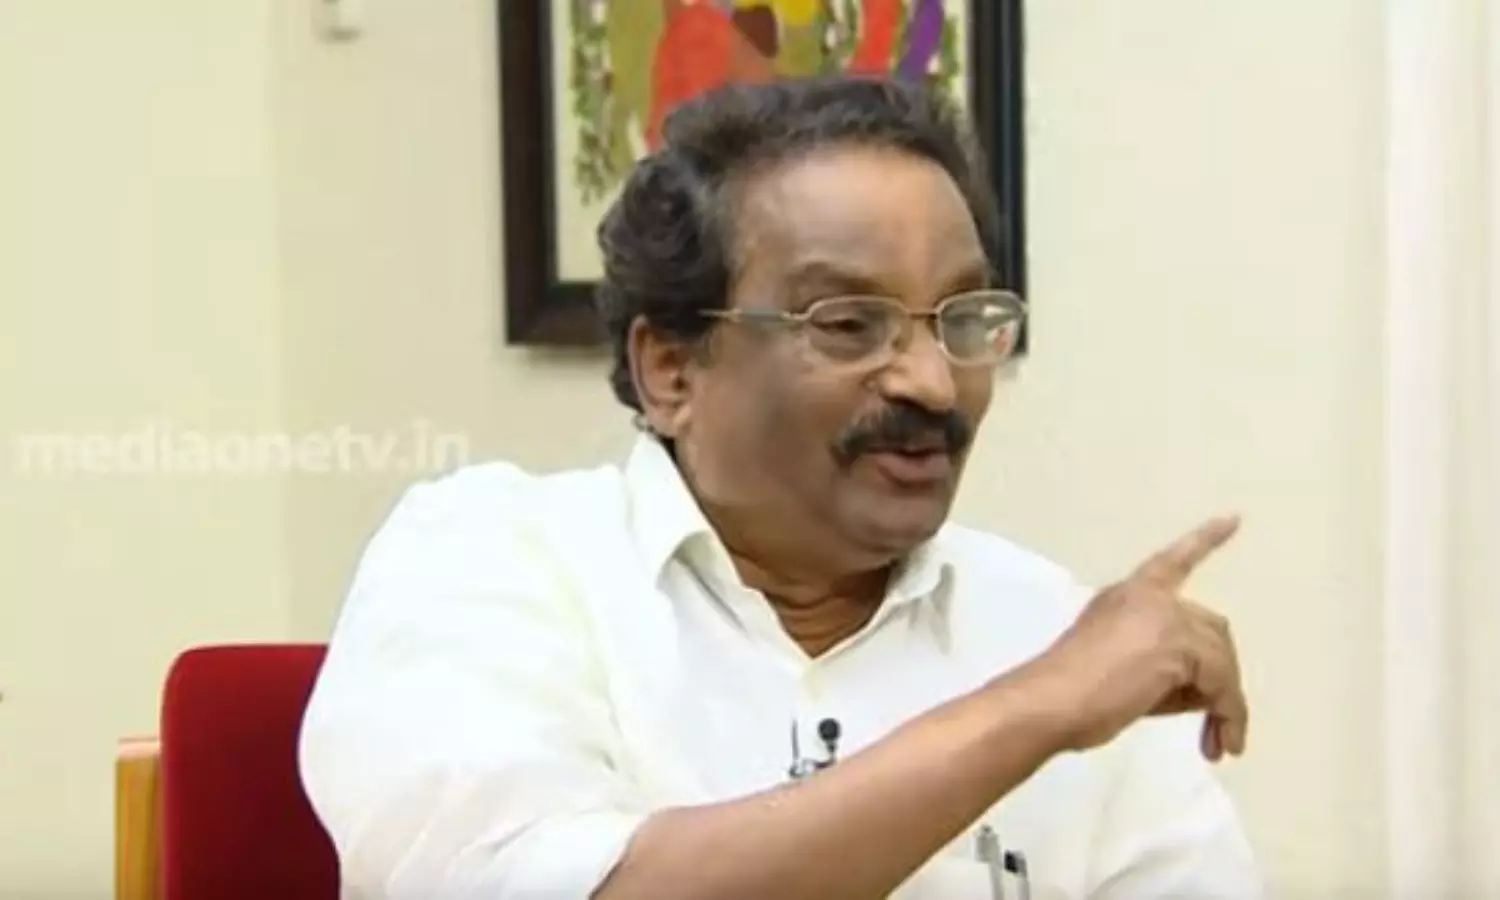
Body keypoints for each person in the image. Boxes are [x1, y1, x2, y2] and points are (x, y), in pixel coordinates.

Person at [298, 75, 1262, 899]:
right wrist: (1031, 712)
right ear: (671, 368)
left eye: (962, 319)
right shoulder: (491, 563)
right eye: (848, 324)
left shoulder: (1048, 623)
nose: (932, 383)